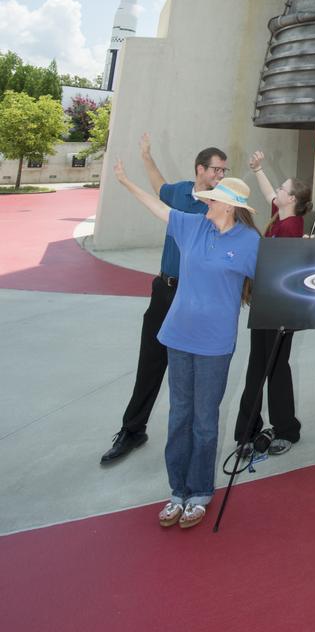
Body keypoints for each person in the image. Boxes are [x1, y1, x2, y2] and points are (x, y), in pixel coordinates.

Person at [113, 161, 259, 529]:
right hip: (177, 336)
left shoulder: (249, 242)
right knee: (179, 416)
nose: (205, 203)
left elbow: (271, 283)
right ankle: (176, 491)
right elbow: (160, 209)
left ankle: (199, 491)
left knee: (205, 421)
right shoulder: (193, 225)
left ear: (229, 206)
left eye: (212, 200)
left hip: (214, 343)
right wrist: (127, 182)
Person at [100, 136, 228, 465]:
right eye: (217, 169)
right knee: (151, 361)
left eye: (224, 171)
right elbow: (159, 186)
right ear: (200, 169)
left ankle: (194, 440)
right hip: (165, 290)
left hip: (196, 297)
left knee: (195, 373)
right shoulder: (180, 192)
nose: (220, 175)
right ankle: (132, 429)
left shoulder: (220, 205)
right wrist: (145, 157)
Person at [232, 153, 313, 457]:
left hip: (279, 308)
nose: (276, 192)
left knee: (273, 368)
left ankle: (284, 430)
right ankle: (250, 431)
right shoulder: (283, 217)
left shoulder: (292, 228)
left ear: (291, 198)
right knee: (259, 366)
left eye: (282, 189)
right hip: (266, 305)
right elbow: (269, 194)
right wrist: (258, 170)